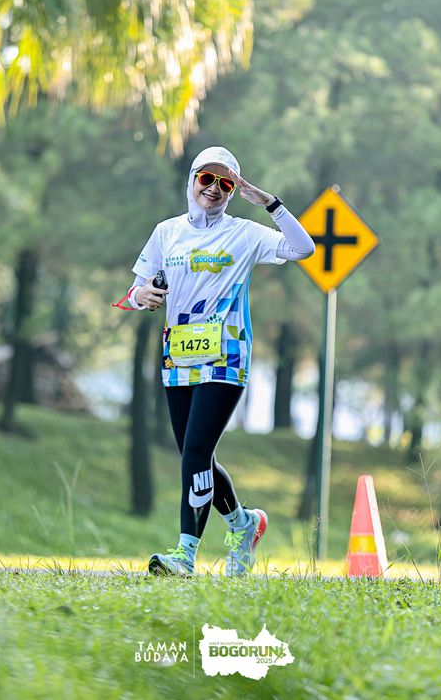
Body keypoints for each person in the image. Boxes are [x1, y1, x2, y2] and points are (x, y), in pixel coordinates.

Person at [126, 146, 315, 577]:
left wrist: (270, 203)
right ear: (192, 180)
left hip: (226, 357)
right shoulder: (166, 232)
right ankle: (244, 524)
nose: (213, 188)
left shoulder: (245, 234)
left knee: (195, 451)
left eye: (225, 183)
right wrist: (143, 295)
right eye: (206, 178)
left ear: (233, 190)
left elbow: (302, 249)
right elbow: (136, 290)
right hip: (178, 356)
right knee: (198, 458)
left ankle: (184, 555)